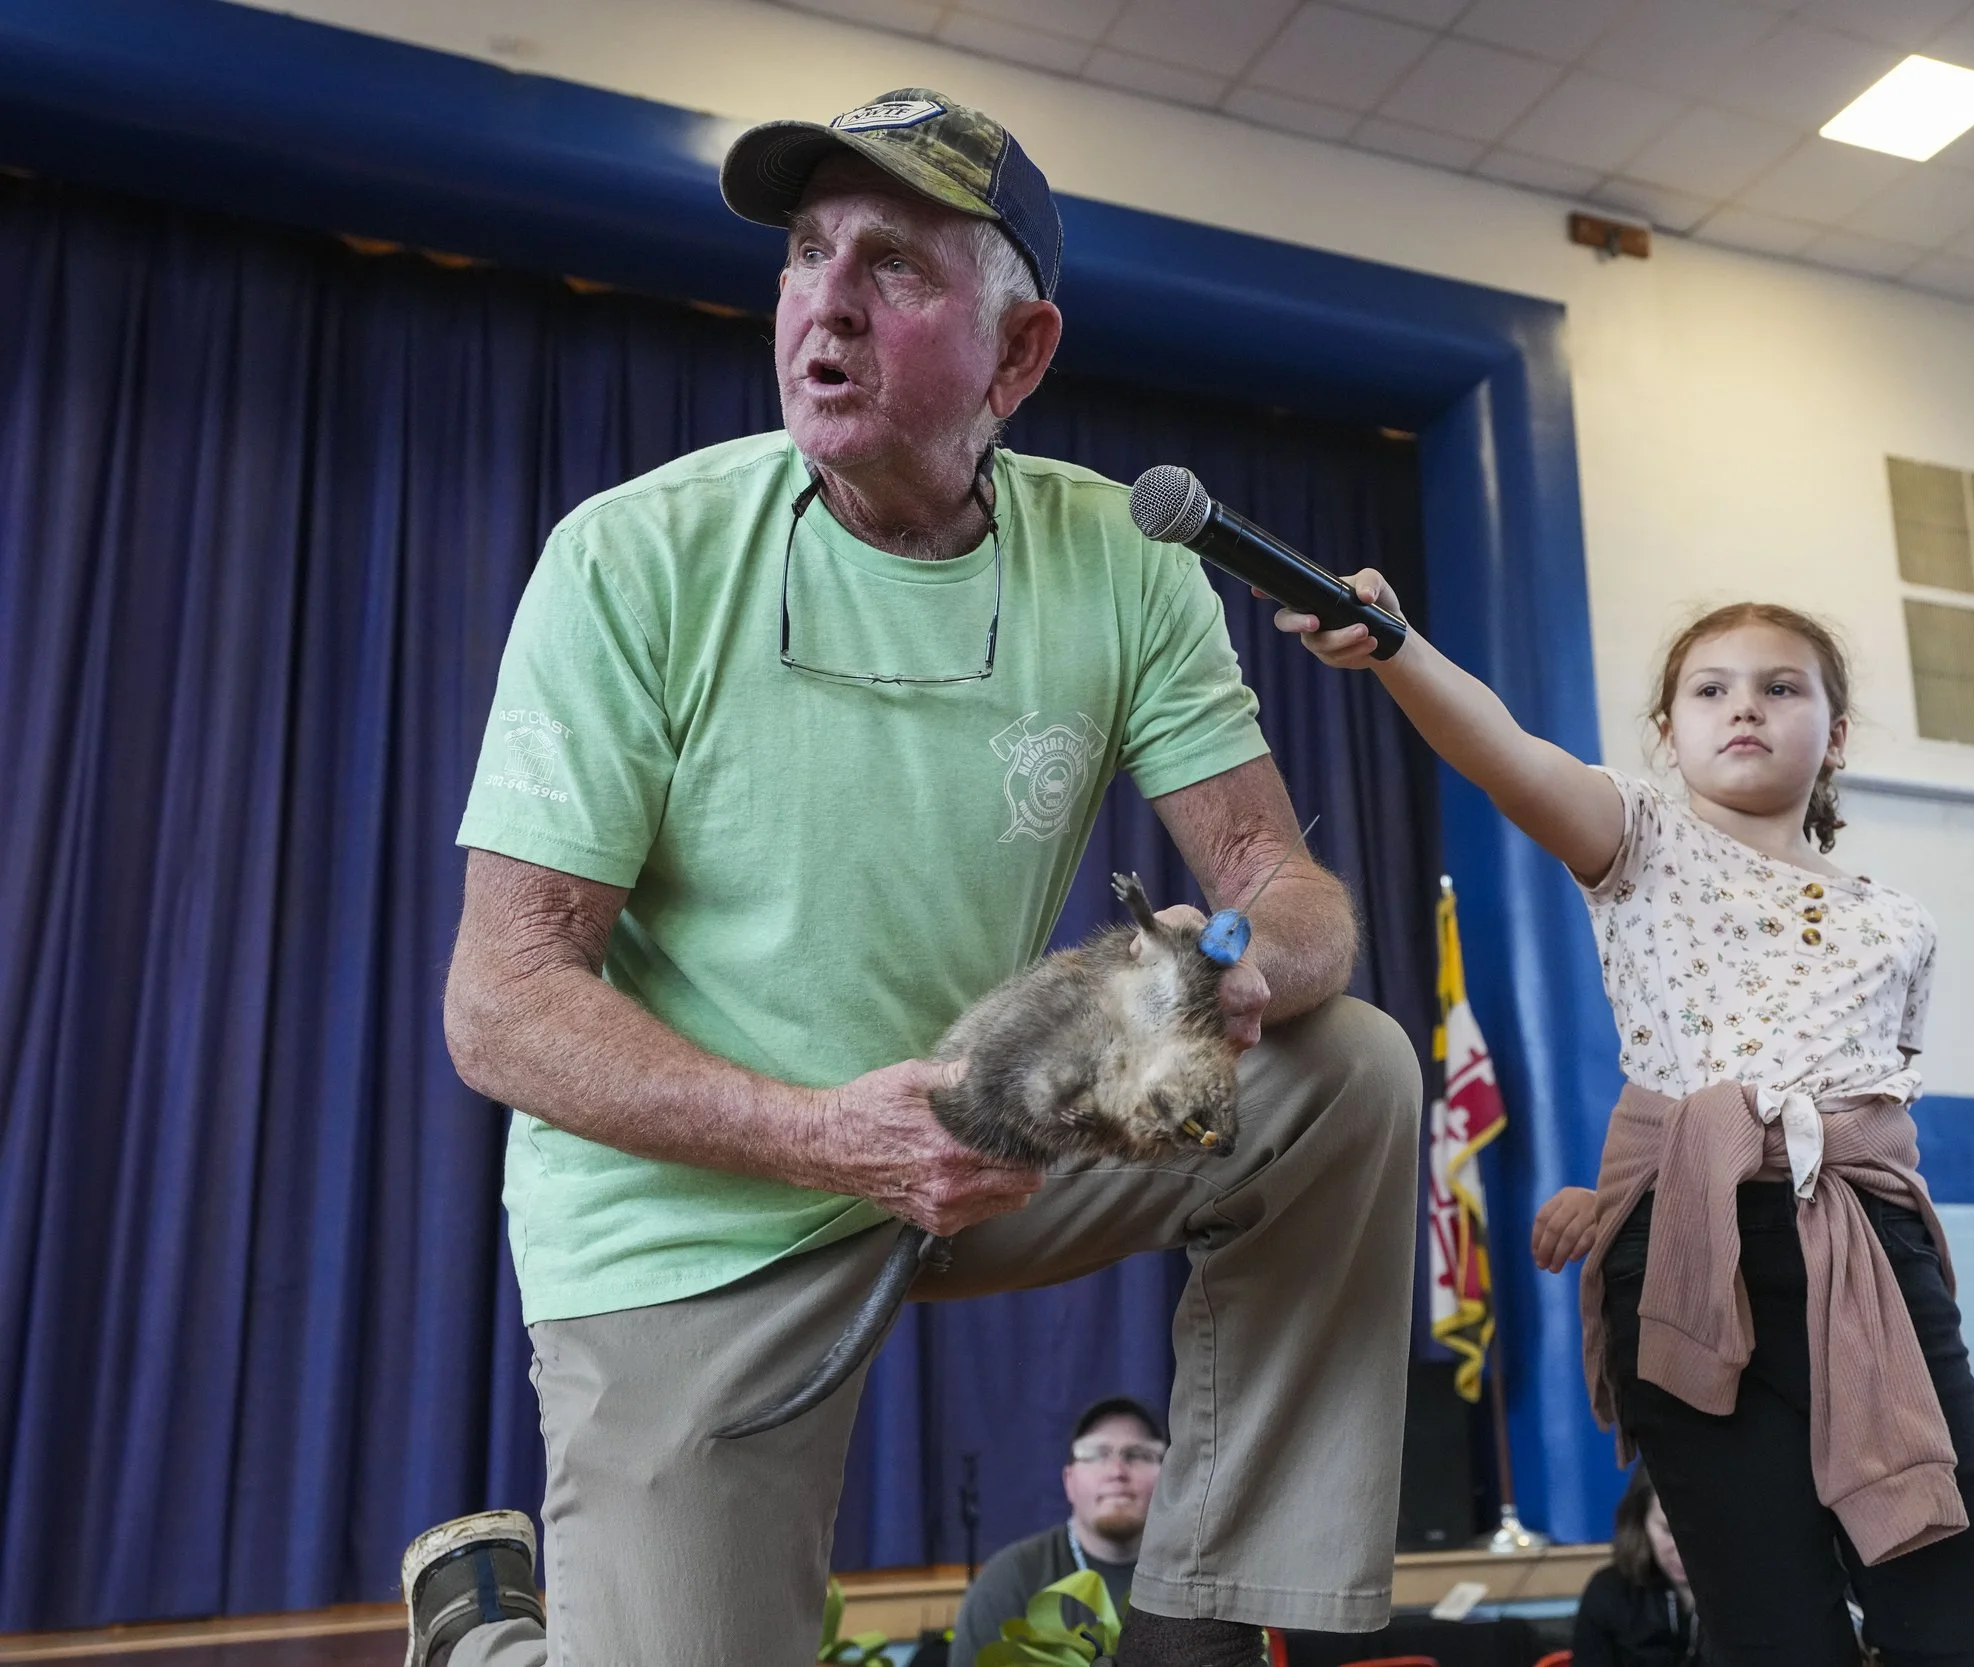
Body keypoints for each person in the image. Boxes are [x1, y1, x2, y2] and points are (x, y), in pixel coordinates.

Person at [397, 87, 1422, 1667]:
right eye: (807, 254)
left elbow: (1285, 884)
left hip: (970, 1125)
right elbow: (503, 1002)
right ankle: (483, 1639)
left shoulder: (1126, 559)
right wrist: (824, 1134)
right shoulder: (630, 557)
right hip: (699, 1205)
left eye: (894, 265)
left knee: (1343, 1070)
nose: (827, 301)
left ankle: (1200, 1623)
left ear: (1019, 354)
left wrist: (1233, 961)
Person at [1280, 592, 1974, 1666]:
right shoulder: (1638, 836)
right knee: (1769, 1628)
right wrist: (1397, 646)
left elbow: (1863, 1115)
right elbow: (1504, 752)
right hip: (1687, 1252)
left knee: (1953, 1609)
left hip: (1865, 1257)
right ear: (1669, 734)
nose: (1745, 706)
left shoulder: (1900, 921)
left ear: (1836, 734)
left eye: (1781, 686)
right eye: (1711, 689)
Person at [949, 1397, 1168, 1667]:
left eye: (1138, 1454)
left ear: (1170, 1476)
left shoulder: (1199, 1576)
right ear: (1069, 1480)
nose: (1117, 1471)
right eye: (1096, 1454)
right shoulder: (1008, 1583)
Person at [1574, 1468, 1704, 1667]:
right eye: (1667, 1530)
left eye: (1696, 1533)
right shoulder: (1608, 1591)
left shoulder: (1743, 1594)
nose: (1681, 1550)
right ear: (1641, 1522)